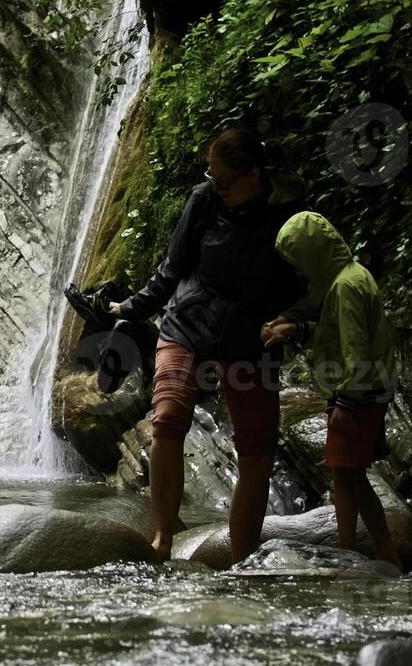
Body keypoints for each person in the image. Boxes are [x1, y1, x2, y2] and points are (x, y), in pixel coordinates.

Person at [110, 127, 310, 561]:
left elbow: (309, 283)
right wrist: (130, 308)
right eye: (211, 177)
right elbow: (172, 268)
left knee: (256, 451)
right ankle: (163, 538)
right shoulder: (204, 200)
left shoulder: (291, 211)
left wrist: (292, 319)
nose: (217, 188)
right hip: (190, 321)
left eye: (226, 181)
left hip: (252, 337)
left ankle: (241, 557)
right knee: (167, 420)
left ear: (255, 174)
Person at [263, 211, 403, 569]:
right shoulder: (351, 277)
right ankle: (372, 549)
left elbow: (357, 352)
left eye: (300, 262)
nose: (298, 271)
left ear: (315, 254)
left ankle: (359, 549)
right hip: (365, 393)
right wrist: (294, 332)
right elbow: (337, 337)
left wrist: (345, 402)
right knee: (350, 474)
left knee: (345, 474)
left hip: (356, 396)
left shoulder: (344, 288)